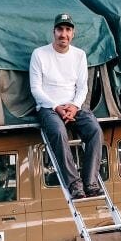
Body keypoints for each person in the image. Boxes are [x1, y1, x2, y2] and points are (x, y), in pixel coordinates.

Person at [29, 13, 103, 199]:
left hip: (74, 106)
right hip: (48, 107)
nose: (64, 34)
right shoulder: (39, 54)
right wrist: (56, 107)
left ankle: (91, 182)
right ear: (53, 31)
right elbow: (36, 89)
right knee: (58, 132)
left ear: (73, 33)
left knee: (95, 130)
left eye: (68, 30)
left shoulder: (79, 55)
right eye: (60, 29)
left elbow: (83, 87)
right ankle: (74, 184)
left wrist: (74, 106)